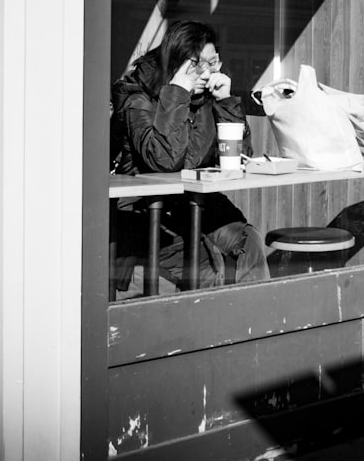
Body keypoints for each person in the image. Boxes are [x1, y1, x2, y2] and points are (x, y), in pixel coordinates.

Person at [110, 20, 270, 297]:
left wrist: (226, 102)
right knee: (207, 265)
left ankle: (252, 323)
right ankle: (214, 333)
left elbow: (238, 159)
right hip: (146, 212)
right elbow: (164, 161)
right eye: (197, 65)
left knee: (249, 240)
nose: (207, 73)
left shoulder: (208, 97)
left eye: (213, 62)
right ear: (175, 64)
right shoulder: (139, 99)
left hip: (195, 204)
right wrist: (178, 92)